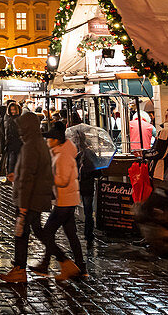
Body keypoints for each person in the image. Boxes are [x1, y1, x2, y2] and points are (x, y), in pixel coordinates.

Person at [0, 111, 55, 283]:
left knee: (21, 234)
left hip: (30, 200)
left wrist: (22, 206)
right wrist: (17, 176)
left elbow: (29, 178)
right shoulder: (38, 143)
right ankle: (62, 259)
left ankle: (20, 270)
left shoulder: (31, 146)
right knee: (36, 231)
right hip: (36, 198)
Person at [32, 122, 85, 281]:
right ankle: (80, 267)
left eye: (50, 138)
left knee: (46, 233)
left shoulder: (62, 156)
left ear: (56, 140)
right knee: (70, 234)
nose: (47, 141)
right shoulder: (60, 153)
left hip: (64, 201)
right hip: (67, 199)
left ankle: (49, 264)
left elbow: (62, 180)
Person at [65, 111, 103, 248]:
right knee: (88, 210)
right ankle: (88, 234)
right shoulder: (90, 152)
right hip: (87, 184)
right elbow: (98, 171)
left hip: (74, 184)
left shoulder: (70, 151)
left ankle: (72, 232)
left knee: (70, 209)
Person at [2, 102, 23, 178]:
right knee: (11, 162)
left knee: (15, 162)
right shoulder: (9, 119)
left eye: (14, 110)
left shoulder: (19, 119)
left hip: (18, 144)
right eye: (11, 110)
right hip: (11, 144)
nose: (12, 111)